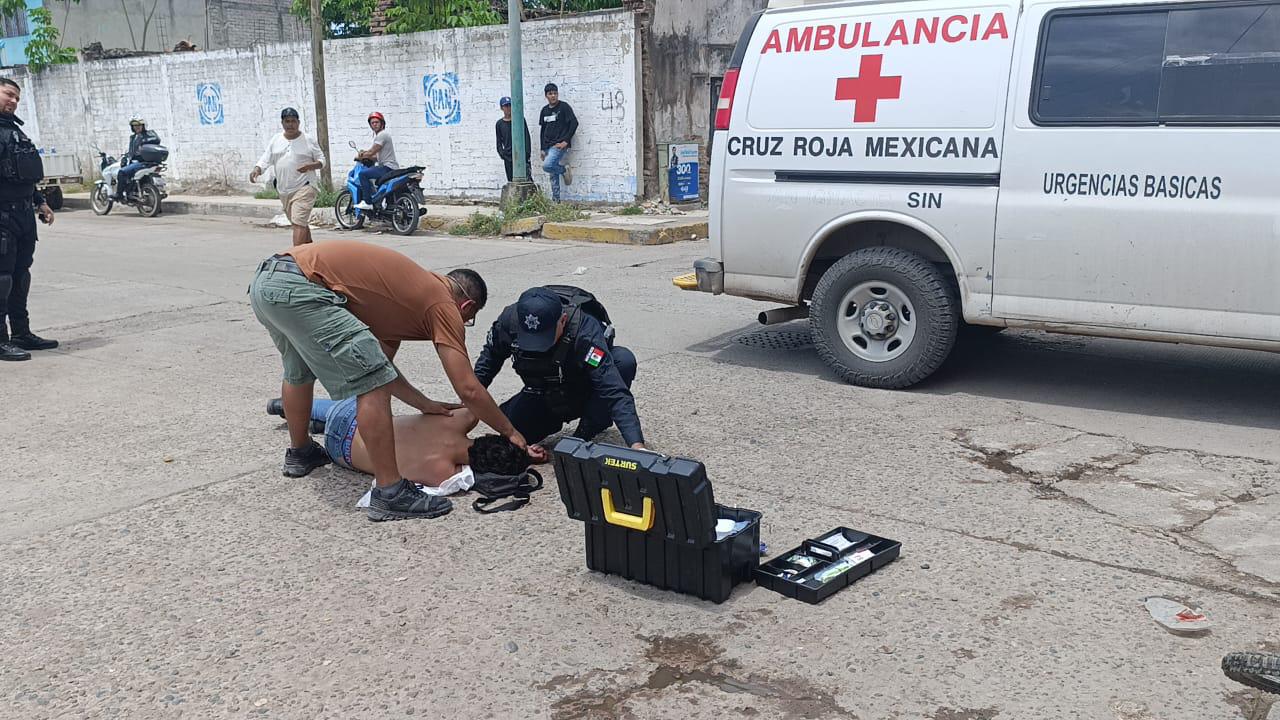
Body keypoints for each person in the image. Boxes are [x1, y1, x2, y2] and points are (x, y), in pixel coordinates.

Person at [248, 239, 531, 522]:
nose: (462, 324)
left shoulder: (398, 301)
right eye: (468, 318)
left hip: (268, 282)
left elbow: (382, 368)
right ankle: (389, 492)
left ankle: (301, 453)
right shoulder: (442, 303)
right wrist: (510, 432)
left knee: (298, 373)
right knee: (371, 386)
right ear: (467, 305)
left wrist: (423, 402)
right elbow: (468, 388)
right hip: (302, 287)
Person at [474, 287, 644, 458]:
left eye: (543, 339)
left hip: (583, 389)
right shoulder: (508, 322)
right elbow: (487, 365)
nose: (536, 347)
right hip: (542, 392)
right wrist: (464, 408)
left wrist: (637, 446)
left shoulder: (584, 331)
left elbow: (612, 387)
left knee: (623, 360)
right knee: (510, 439)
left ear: (562, 320)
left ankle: (585, 432)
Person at [266, 398, 530, 487]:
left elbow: (478, 402)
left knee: (348, 409)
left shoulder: (457, 421)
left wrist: (514, 437)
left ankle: (291, 407)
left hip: (352, 418)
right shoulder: (443, 474)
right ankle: (312, 423)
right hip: (340, 455)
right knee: (346, 426)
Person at [0, 78, 56, 362]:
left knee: (21, 275)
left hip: (22, 213)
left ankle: (21, 332)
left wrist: (40, 202)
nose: (13, 101)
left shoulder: (13, 130)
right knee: (3, 278)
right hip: (2, 215)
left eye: (17, 98)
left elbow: (20, 173)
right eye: (9, 94)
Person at [249, 107, 326, 246]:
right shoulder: (276, 139)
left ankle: (295, 258)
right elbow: (266, 158)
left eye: (293, 121)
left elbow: (322, 160)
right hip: (284, 190)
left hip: (305, 187)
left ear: (299, 122)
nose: (290, 124)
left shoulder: (308, 140)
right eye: (287, 121)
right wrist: (257, 169)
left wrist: (310, 166)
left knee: (298, 222)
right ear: (282, 123)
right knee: (300, 224)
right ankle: (311, 252)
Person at [538, 83, 578, 202]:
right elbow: (543, 130)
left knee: (547, 166)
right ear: (546, 96)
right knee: (552, 175)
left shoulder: (564, 107)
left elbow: (574, 123)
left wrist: (566, 141)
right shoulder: (544, 110)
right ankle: (556, 201)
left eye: (555, 93)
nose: (553, 96)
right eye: (550, 94)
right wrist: (542, 148)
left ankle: (564, 170)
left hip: (558, 145)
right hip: (547, 146)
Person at [353, 111, 398, 211]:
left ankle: (367, 202)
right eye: (372, 123)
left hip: (387, 167)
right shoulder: (381, 136)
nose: (374, 124)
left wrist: (361, 156)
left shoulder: (382, 135)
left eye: (377, 122)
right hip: (390, 167)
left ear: (382, 123)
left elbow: (372, 151)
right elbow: (376, 157)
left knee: (363, 174)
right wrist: (366, 154)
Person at [114, 116, 161, 200]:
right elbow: (132, 151)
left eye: (139, 125)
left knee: (121, 172)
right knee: (128, 173)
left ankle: (119, 195)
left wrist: (144, 141)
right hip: (136, 162)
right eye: (134, 125)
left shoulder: (149, 134)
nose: (137, 127)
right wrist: (126, 156)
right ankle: (130, 192)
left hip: (143, 162)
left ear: (143, 125)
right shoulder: (133, 137)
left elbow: (157, 139)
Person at [496, 97, 531, 184]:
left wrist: (527, 153)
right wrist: (502, 153)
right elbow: (499, 141)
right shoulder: (499, 124)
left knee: (527, 180)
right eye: (506, 106)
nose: (508, 108)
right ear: (501, 108)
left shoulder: (520, 120)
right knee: (511, 181)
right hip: (508, 156)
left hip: (521, 155)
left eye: (510, 105)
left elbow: (526, 137)